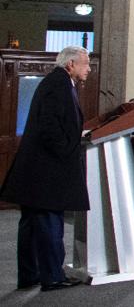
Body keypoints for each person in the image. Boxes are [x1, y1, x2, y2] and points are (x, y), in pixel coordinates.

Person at [0, 46, 91, 292]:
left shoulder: (58, 82)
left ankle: (30, 276)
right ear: (71, 64)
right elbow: (49, 125)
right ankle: (52, 276)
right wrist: (66, 150)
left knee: (31, 224)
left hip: (36, 170)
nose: (89, 69)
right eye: (86, 64)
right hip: (47, 171)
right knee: (50, 223)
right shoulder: (59, 84)